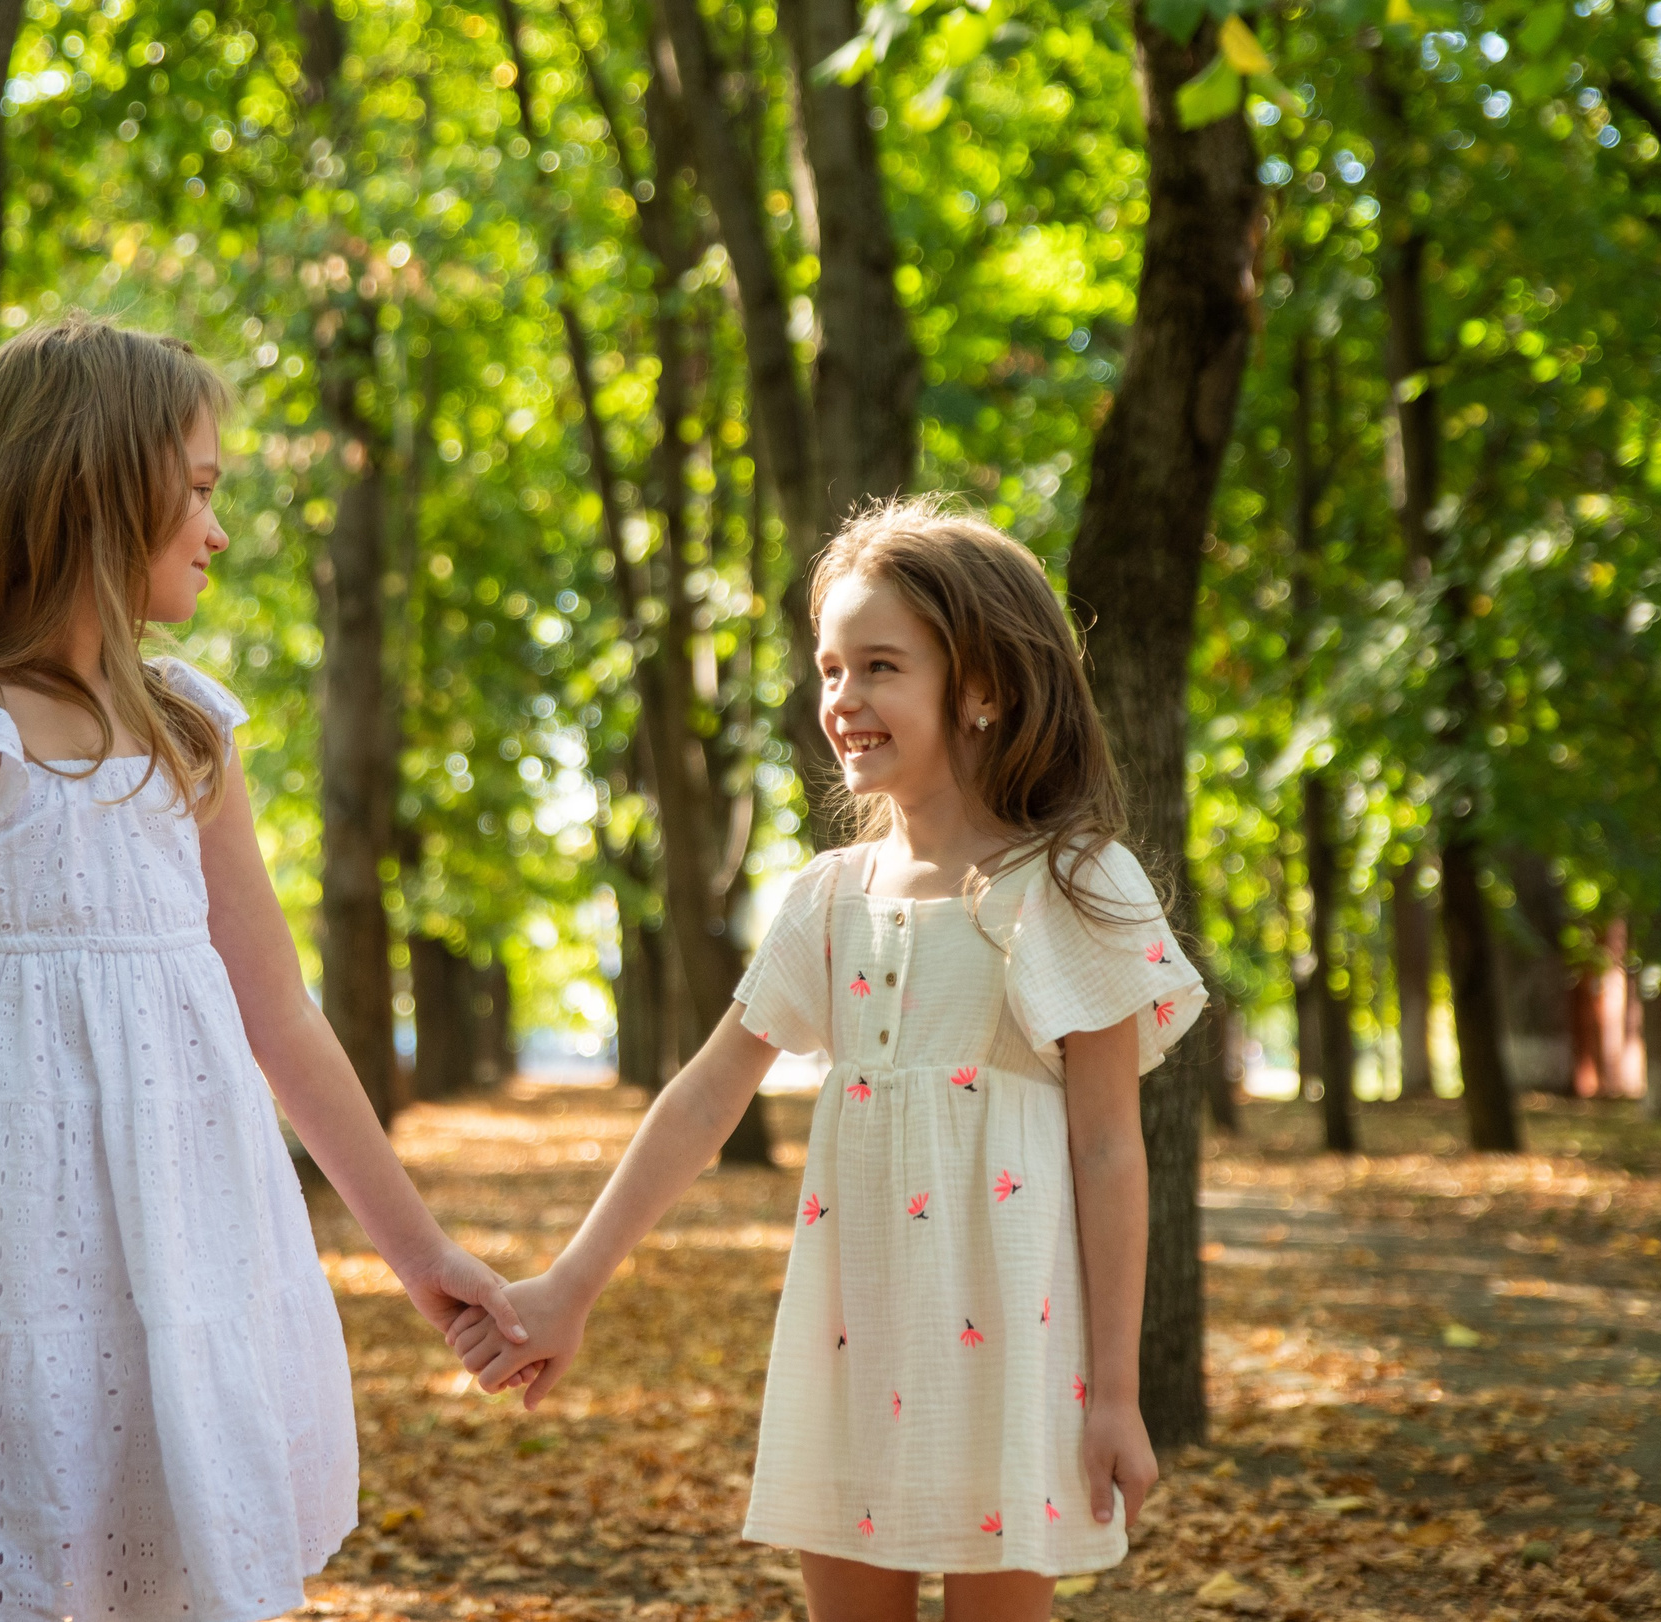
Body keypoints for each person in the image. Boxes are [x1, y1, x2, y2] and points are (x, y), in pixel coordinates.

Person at [0, 314, 525, 1622]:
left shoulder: (186, 727)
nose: (218, 525)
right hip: (9, 1266)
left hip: (189, 1259)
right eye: (197, 487)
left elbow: (282, 1016)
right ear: (98, 481)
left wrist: (425, 1257)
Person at [450, 498, 1205, 1622]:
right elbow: (706, 1093)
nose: (842, 701)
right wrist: (568, 1285)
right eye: (830, 668)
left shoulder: (1073, 886)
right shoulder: (827, 898)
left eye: (880, 666)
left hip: (1009, 1358)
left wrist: (1114, 1393)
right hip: (849, 1342)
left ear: (984, 686)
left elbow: (1106, 1147)